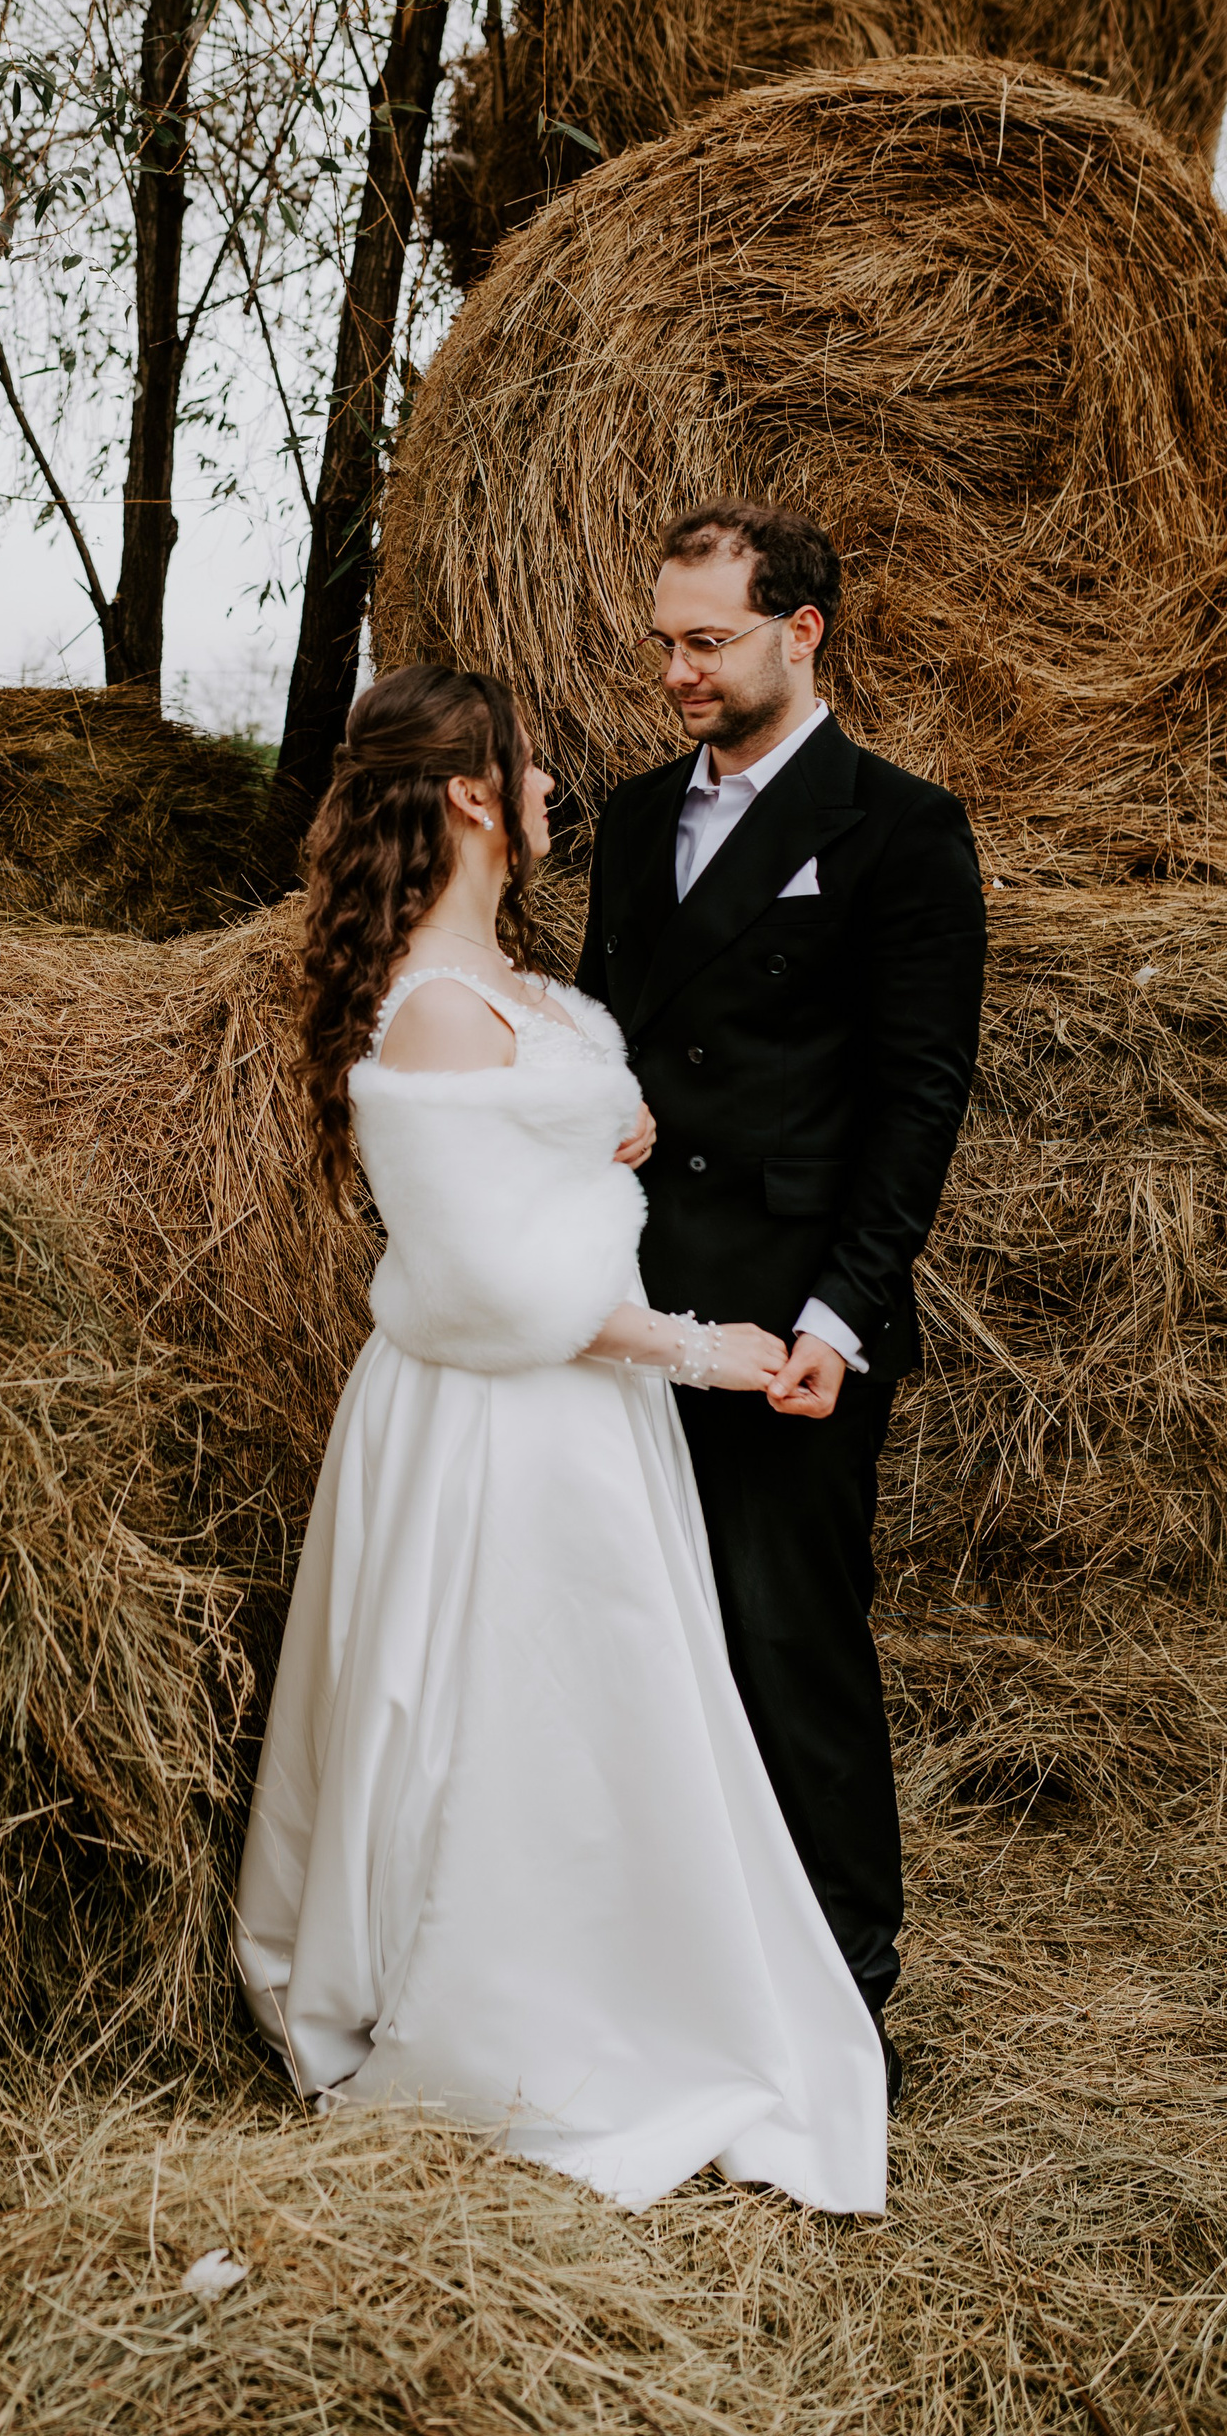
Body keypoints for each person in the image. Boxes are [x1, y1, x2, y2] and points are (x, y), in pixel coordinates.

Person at [235, 663, 887, 2215]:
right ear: (470, 794)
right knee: (502, 1713)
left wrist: (612, 1136)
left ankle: (632, 1966)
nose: (547, 790)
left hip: (575, 1414)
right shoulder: (438, 1009)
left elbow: (548, 1177)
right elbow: (487, 1282)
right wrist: (701, 1350)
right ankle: (513, 2016)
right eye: (525, 769)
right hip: (498, 1421)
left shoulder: (509, 986)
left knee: (608, 1710)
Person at [577, 500, 986, 2105]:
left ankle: (846, 1995)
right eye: (665, 643)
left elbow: (917, 1101)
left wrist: (840, 1319)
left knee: (785, 1637)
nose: (679, 670)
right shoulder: (631, 818)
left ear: (800, 631)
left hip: (790, 1320)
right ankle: (680, 1976)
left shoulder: (900, 829)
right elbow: (608, 1035)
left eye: (710, 641)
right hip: (636, 1305)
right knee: (645, 1631)